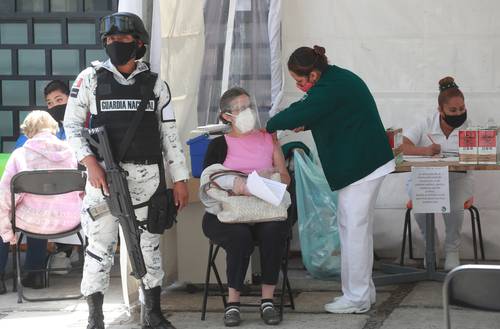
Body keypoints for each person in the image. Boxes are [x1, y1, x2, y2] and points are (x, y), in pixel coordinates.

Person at [64, 12, 189, 329]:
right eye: (110, 40)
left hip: (147, 180)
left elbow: (169, 135)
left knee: (149, 247)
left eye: (122, 39)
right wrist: (90, 163)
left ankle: (154, 313)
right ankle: (95, 317)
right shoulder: (90, 79)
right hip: (104, 179)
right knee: (99, 248)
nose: (115, 44)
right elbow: (72, 126)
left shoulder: (156, 83)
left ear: (139, 43)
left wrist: (180, 180)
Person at [266, 46, 395, 314]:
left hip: (364, 165)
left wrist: (267, 125)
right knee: (355, 229)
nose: (301, 87)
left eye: (300, 82)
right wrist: (308, 123)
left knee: (354, 231)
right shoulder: (336, 79)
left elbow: (299, 111)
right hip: (367, 163)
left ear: (313, 74)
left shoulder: (329, 87)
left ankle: (356, 297)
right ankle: (364, 291)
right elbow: (334, 112)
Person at [201, 87, 291, 326]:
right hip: (228, 212)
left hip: (265, 209)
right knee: (239, 237)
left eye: (249, 107)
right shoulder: (219, 144)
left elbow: (285, 178)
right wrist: (239, 186)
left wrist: (268, 178)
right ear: (226, 116)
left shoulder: (267, 138)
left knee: (274, 231)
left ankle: (268, 301)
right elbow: (210, 182)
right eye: (240, 109)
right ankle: (233, 304)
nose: (248, 112)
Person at [0, 111, 82, 295]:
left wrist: (6, 230)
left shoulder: (20, 154)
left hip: (33, 220)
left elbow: (6, 194)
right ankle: (36, 273)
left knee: (21, 213)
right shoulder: (70, 151)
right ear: (53, 128)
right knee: (43, 210)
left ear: (28, 131)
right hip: (69, 220)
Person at [401, 76, 471, 271]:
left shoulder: (469, 126)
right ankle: (431, 247)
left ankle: (452, 250)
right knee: (420, 204)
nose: (459, 113)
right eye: (453, 110)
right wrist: (424, 151)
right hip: (426, 177)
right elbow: (402, 145)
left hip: (458, 176)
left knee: (454, 205)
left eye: (462, 109)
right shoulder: (426, 123)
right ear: (440, 111)